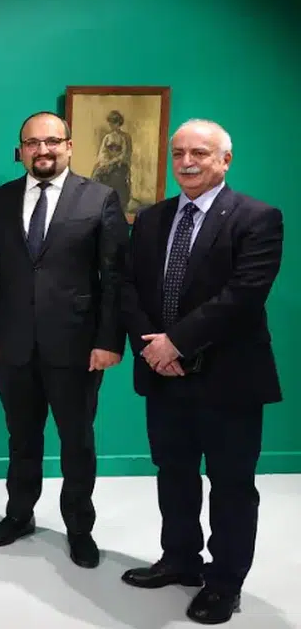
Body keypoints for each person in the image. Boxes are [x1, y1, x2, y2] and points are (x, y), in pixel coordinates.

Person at [119, 119, 283, 625]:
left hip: (229, 380)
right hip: (163, 376)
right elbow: (128, 287)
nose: (187, 162)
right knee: (174, 475)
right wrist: (153, 349)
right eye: (179, 153)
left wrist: (177, 343)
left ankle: (224, 583)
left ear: (225, 160)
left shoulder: (257, 218)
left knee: (231, 486)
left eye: (200, 153)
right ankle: (180, 559)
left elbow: (243, 296)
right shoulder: (152, 218)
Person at [0, 111, 128, 568]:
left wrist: (109, 341)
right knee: (21, 437)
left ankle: (79, 528)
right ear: (21, 150)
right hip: (11, 344)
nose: (43, 150)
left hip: (77, 347)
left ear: (69, 146)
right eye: (33, 143)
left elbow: (115, 278)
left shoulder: (99, 198)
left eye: (52, 141)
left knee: (77, 442)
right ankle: (19, 515)